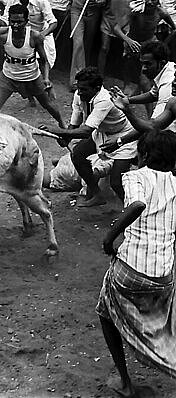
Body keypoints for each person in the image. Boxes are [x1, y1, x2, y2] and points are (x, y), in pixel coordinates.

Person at [98, 129, 176, 398]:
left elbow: (137, 204)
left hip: (131, 270)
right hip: (163, 273)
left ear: (141, 156)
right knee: (163, 326)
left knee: (105, 311)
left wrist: (109, 239)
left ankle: (125, 383)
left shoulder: (134, 176)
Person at [41, 67, 137, 207]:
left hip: (124, 138)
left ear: (97, 88)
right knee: (78, 155)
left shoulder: (105, 99)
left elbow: (86, 131)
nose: (79, 92)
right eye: (78, 88)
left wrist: (59, 131)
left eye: (84, 89)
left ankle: (133, 211)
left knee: (116, 182)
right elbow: (75, 123)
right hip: (102, 134)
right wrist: (66, 138)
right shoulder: (79, 95)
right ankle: (97, 194)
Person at [0, 2, 66, 128]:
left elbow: (43, 60)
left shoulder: (35, 37)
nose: (15, 25)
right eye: (13, 21)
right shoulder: (1, 33)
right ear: (9, 20)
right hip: (8, 78)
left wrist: (46, 78)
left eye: (19, 22)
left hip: (32, 78)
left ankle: (63, 124)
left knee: (49, 105)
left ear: (26, 21)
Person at [113, 0, 175, 94]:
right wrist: (128, 40)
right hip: (132, 44)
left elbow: (174, 29)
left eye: (153, 0)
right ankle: (128, 86)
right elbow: (116, 29)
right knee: (128, 66)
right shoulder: (136, 12)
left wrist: (163, 44)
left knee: (145, 81)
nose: (149, 2)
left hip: (148, 45)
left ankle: (149, 100)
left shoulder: (162, 13)